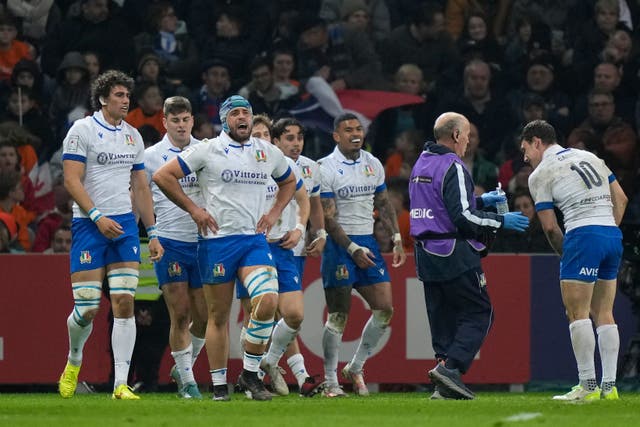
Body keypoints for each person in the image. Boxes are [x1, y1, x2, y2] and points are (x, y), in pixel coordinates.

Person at [152, 95, 296, 401]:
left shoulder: (266, 152)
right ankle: (219, 386)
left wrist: (273, 214)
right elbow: (163, 176)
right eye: (235, 114)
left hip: (252, 241)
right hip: (217, 243)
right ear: (224, 119)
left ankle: (249, 373)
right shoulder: (207, 149)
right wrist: (194, 209)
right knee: (217, 317)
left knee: (268, 301)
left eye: (246, 113)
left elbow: (289, 181)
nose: (242, 118)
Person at [57, 69, 164, 400]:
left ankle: (121, 383)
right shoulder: (82, 131)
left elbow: (142, 185)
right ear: (103, 98)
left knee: (124, 302)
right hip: (90, 226)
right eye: (119, 95)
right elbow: (72, 180)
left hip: (125, 228)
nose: (125, 100)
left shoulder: (133, 136)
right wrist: (96, 215)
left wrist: (154, 231)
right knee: (87, 308)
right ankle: (74, 359)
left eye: (127, 96)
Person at [409, 112, 529, 400]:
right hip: (452, 253)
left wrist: (479, 200)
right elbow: (463, 217)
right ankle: (451, 369)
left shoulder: (421, 162)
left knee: (443, 318)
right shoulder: (454, 165)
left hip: (425, 254)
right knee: (479, 312)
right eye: (467, 135)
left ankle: (443, 380)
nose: (468, 141)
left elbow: (438, 205)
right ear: (455, 136)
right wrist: (500, 220)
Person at [521, 119, 627, 401]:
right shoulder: (591, 156)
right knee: (604, 313)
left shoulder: (541, 174)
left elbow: (550, 227)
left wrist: (569, 254)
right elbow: (622, 198)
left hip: (583, 235)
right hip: (611, 236)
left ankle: (587, 387)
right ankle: (610, 387)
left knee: (576, 313)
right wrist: (607, 228)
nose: (525, 157)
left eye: (526, 150)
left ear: (537, 142)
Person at [318, 113, 407, 397]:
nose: (355, 134)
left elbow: (383, 201)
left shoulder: (373, 164)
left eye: (359, 129)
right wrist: (351, 249)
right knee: (338, 316)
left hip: (368, 241)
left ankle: (355, 367)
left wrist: (395, 237)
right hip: (339, 246)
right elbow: (328, 218)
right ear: (336, 136)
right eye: (348, 130)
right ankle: (331, 380)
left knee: (385, 309)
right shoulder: (326, 167)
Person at [257, 117, 327, 397]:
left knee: (291, 315)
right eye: (289, 138)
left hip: (291, 249)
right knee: (263, 314)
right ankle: (299, 376)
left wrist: (318, 233)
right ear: (276, 141)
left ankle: (266, 366)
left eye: (299, 138)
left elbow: (314, 204)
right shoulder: (257, 165)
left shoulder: (310, 168)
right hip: (257, 248)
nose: (296, 143)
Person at [144, 96, 208, 399]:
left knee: (206, 317)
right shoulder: (150, 156)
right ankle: (188, 382)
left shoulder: (206, 150)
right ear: (164, 122)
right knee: (180, 314)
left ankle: (184, 365)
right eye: (175, 120)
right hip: (170, 241)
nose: (181, 125)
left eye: (185, 119)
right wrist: (149, 234)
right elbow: (140, 199)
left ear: (192, 121)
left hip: (204, 242)